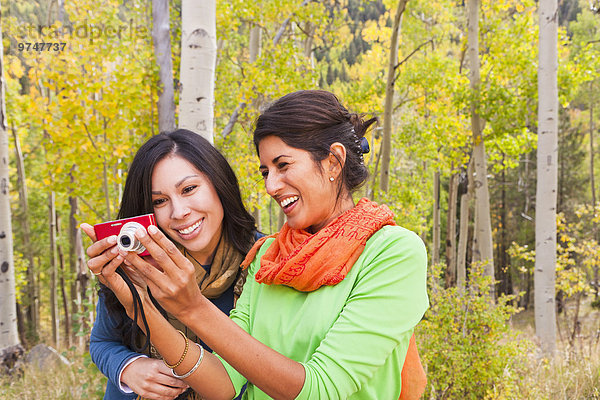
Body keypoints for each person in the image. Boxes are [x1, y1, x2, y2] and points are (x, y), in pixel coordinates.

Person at [92, 90, 429, 399]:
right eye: (265, 171)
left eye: (282, 165)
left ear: (333, 162)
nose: (271, 185)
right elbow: (224, 384)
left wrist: (191, 307)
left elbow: (322, 389)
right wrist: (139, 306)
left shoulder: (393, 253)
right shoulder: (268, 256)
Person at [81, 129, 259, 400]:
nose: (179, 212)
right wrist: (129, 368)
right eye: (159, 201)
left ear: (219, 183)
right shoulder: (135, 260)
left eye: (189, 189)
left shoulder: (263, 260)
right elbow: (102, 342)